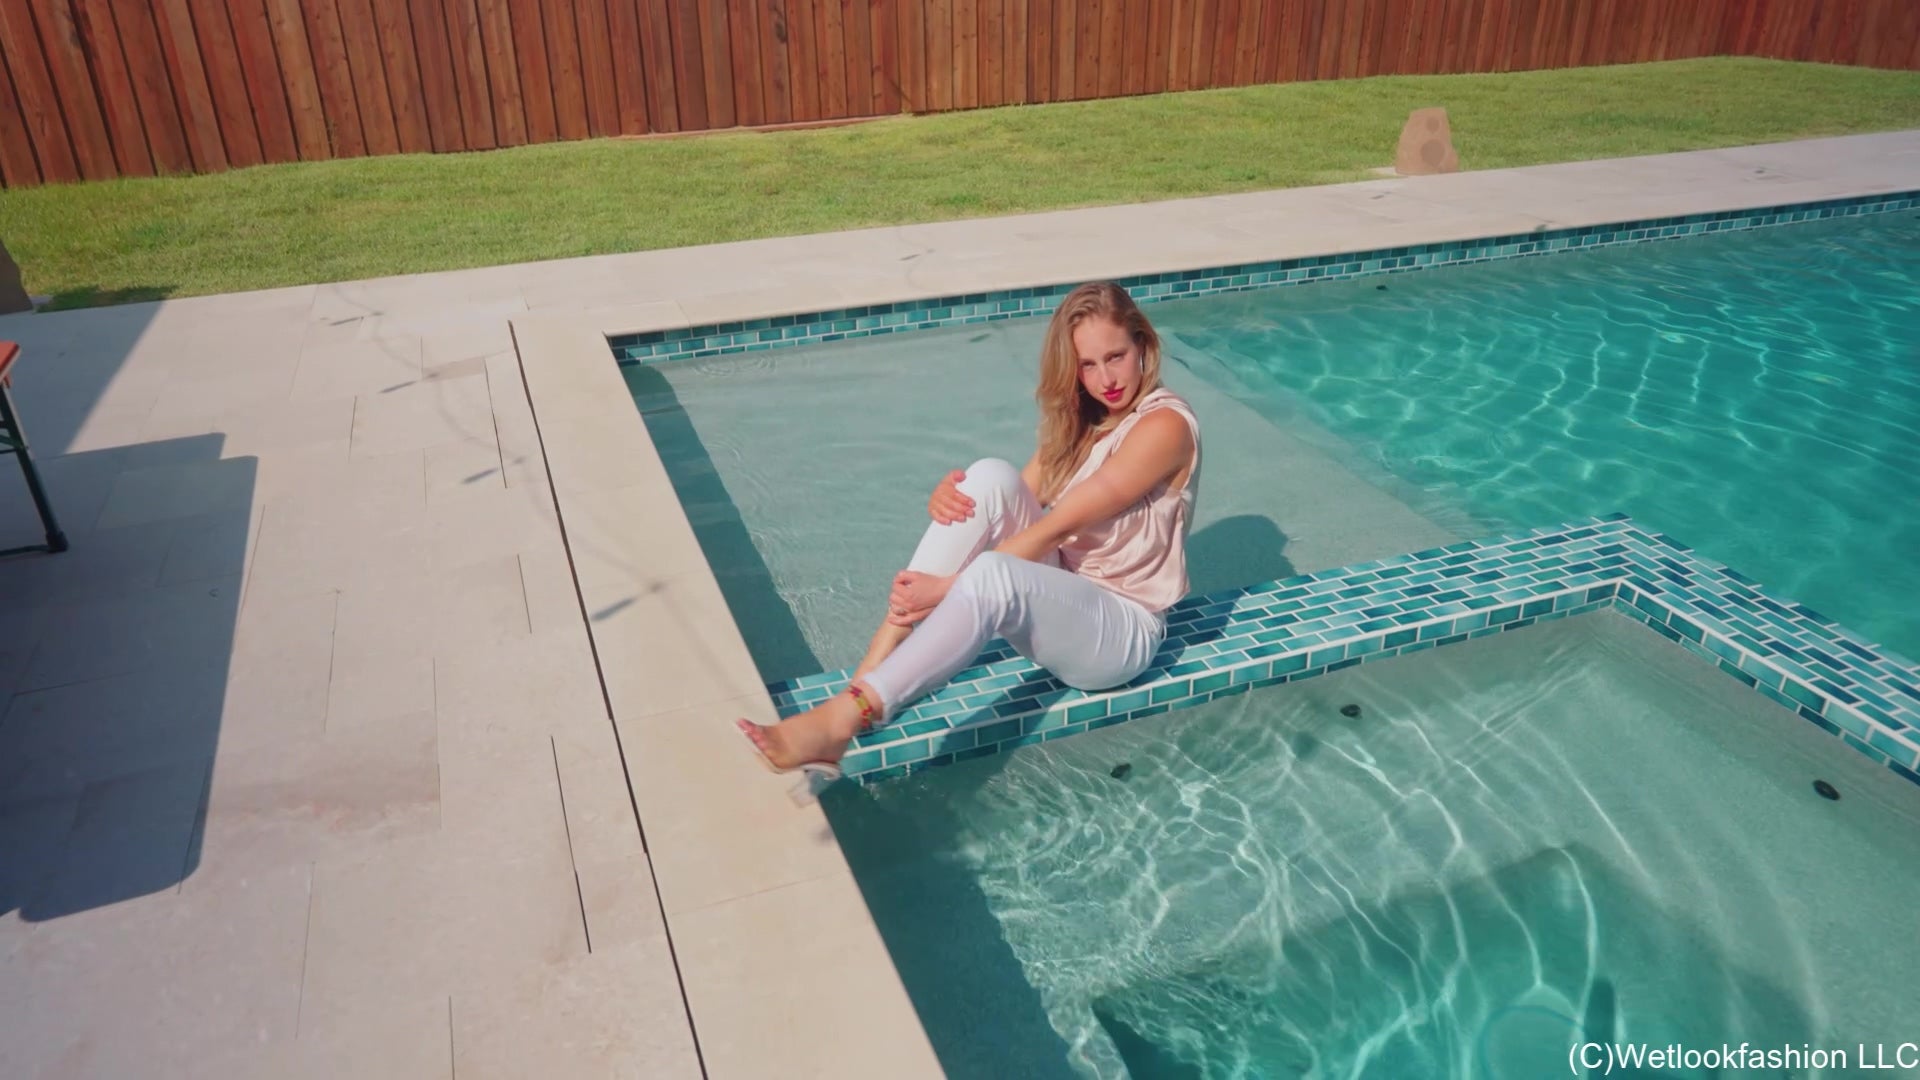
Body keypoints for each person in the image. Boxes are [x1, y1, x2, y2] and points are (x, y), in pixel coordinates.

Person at [738, 281, 1202, 783]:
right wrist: (949, 498)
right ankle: (863, 679)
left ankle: (849, 716)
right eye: (1088, 365)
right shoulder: (1085, 422)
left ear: (1143, 345)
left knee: (994, 574)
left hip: (1121, 631)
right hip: (1065, 597)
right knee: (986, 478)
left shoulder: (1165, 427)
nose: (1106, 378)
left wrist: (950, 588)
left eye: (1116, 356)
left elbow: (1058, 526)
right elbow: (1006, 504)